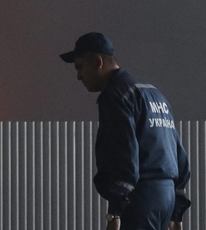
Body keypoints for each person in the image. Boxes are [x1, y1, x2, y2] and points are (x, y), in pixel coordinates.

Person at [60, 33, 191, 230]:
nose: (78, 76)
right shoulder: (153, 93)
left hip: (141, 199)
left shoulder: (116, 95)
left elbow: (123, 154)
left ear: (98, 62)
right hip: (167, 197)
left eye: (80, 67)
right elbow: (178, 152)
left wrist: (115, 211)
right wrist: (176, 210)